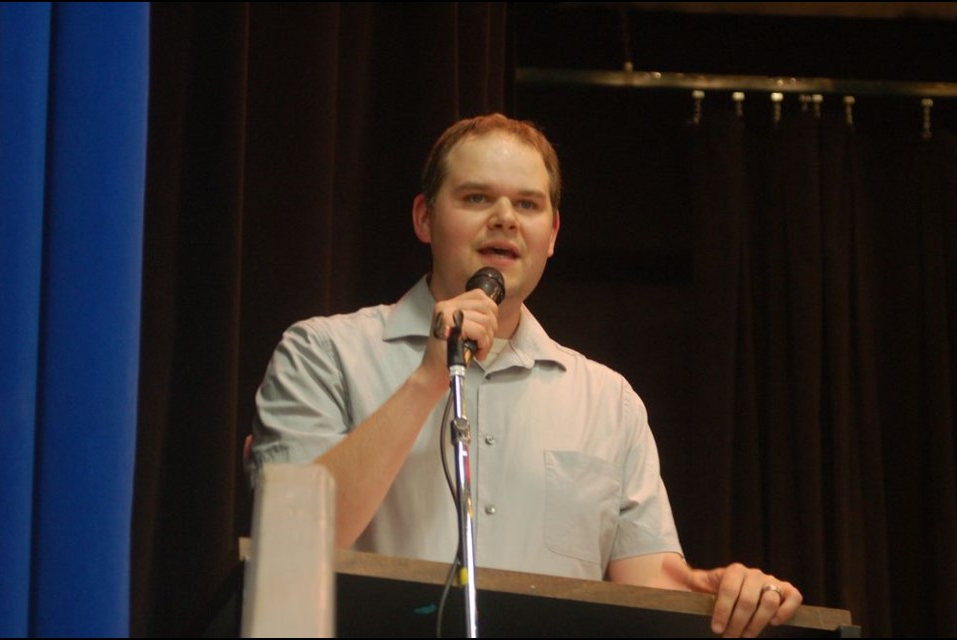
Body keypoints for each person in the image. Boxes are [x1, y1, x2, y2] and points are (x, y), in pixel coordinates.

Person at [247, 113, 802, 637]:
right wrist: (428, 379)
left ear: (553, 234)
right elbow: (291, 550)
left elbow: (648, 583)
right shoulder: (323, 353)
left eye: (528, 205)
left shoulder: (608, 401)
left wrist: (721, 590)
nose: (505, 218)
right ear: (424, 218)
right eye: (476, 197)